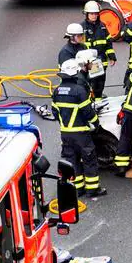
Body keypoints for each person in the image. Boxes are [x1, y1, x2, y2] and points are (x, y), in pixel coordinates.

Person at [51, 59, 107, 198]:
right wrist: (96, 124)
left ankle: (78, 189)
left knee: (72, 160)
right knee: (89, 159)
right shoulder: (79, 91)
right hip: (81, 133)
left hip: (65, 133)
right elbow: (88, 112)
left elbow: (55, 112)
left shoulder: (57, 91)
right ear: (75, 73)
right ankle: (93, 189)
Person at [81, 1, 117, 100]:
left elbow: (108, 43)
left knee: (100, 83)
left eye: (96, 14)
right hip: (88, 63)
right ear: (87, 14)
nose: (94, 16)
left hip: (101, 61)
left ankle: (98, 100)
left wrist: (112, 57)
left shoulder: (102, 26)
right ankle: (89, 100)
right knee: (89, 83)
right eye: (91, 14)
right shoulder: (82, 28)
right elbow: (79, 47)